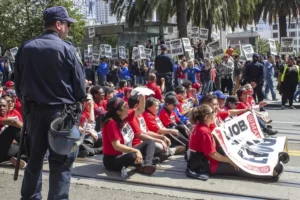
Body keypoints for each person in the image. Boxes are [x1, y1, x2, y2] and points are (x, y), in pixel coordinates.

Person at [14, 6, 86, 199]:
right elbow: (80, 89)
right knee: (61, 164)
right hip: (62, 115)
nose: (68, 29)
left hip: (34, 114)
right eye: (67, 25)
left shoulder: (26, 47)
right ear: (58, 24)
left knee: (34, 161)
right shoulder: (68, 49)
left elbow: (18, 85)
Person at [187, 104, 283, 180]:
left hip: (205, 158)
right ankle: (269, 173)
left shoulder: (202, 126)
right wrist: (230, 160)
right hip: (205, 163)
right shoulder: (203, 130)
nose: (215, 114)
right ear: (207, 117)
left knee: (240, 156)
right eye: (213, 112)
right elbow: (213, 154)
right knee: (238, 168)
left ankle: (269, 162)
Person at [102, 97, 157, 175]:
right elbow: (116, 146)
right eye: (125, 106)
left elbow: (140, 109)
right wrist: (136, 151)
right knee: (133, 156)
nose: (127, 106)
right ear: (118, 112)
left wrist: (142, 95)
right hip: (113, 159)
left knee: (150, 142)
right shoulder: (111, 123)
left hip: (124, 152)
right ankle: (143, 163)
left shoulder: (124, 116)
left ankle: (147, 164)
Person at [0, 98, 26, 169]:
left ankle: (10, 158)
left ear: (8, 107)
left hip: (6, 148)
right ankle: (32, 152)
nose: (2, 108)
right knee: (13, 128)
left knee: (18, 146)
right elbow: (14, 122)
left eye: (4, 106)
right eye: (0, 106)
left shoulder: (11, 113)